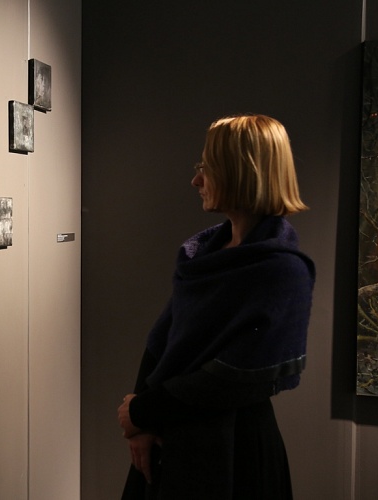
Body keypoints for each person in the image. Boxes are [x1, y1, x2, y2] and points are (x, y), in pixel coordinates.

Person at [117, 114, 315, 499]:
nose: (196, 181)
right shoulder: (205, 254)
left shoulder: (283, 271)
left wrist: (142, 411)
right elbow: (163, 338)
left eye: (207, 168)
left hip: (236, 452)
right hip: (173, 437)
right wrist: (140, 424)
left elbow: (235, 378)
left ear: (241, 172)